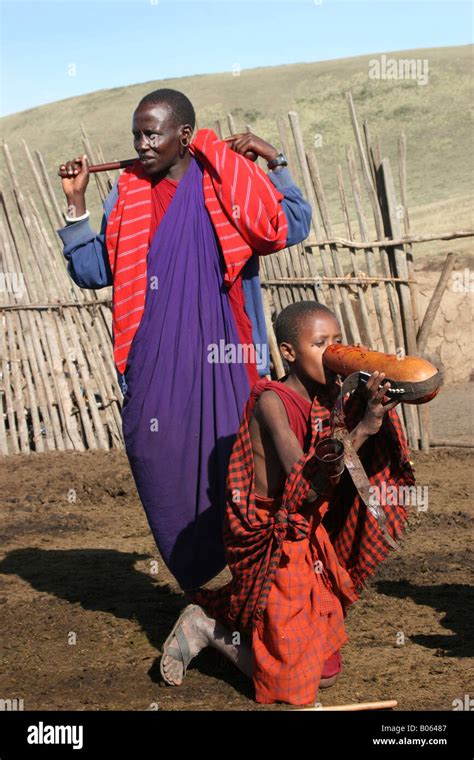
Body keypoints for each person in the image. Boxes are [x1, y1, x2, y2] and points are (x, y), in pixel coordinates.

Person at [56, 88, 312, 591]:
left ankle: (258, 595)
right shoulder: (128, 195)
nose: (143, 144)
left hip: (230, 360)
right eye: (137, 135)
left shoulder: (225, 178)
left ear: (185, 136)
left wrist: (275, 161)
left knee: (244, 472)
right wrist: (75, 204)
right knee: (155, 455)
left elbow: (291, 224)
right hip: (156, 367)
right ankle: (208, 592)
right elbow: (91, 270)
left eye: (153, 133)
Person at [159, 301, 416, 706]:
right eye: (319, 344)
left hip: (307, 531)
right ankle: (208, 628)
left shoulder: (329, 399)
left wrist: (372, 409)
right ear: (288, 352)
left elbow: (336, 469)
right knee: (297, 689)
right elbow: (306, 487)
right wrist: (364, 428)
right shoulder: (272, 401)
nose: (331, 352)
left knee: (327, 673)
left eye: (336, 341)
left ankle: (248, 625)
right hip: (274, 533)